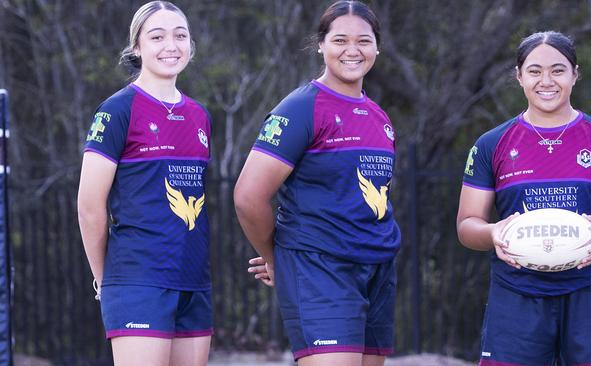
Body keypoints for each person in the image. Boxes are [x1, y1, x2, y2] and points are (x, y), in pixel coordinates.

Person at [457, 31, 591, 365]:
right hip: (517, 293)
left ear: (575, 74)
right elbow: (466, 224)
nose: (546, 81)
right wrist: (492, 233)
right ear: (519, 77)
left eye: (558, 70)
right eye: (534, 71)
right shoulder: (492, 144)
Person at [234, 1, 400, 365]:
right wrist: (275, 257)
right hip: (320, 269)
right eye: (340, 40)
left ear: (377, 47)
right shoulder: (300, 108)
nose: (352, 50)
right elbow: (248, 197)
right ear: (321, 45)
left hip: (377, 271)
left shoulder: (379, 117)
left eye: (363, 40)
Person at [77, 2, 213, 365]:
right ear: (137, 46)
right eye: (157, 36)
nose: (171, 45)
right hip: (137, 280)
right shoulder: (117, 110)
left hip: (194, 281)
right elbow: (90, 206)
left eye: (180, 35)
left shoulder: (199, 115)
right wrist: (105, 280)